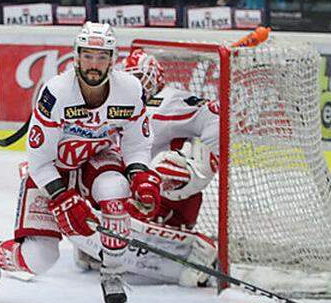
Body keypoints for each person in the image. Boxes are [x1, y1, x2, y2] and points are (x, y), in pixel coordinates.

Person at [0, 22, 160, 303]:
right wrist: (62, 197)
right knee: (40, 258)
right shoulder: (56, 93)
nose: (94, 64)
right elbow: (39, 161)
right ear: (76, 56)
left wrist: (141, 174)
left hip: (96, 160)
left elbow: (136, 145)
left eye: (101, 56)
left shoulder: (130, 90)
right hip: (53, 170)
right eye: (88, 56)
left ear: (113, 59)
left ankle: (112, 270)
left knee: (115, 190)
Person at [73, 48, 220, 288]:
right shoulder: (116, 102)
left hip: (166, 197)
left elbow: (215, 114)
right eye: (129, 78)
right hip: (134, 191)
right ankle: (105, 242)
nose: (136, 85)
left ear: (155, 77)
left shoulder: (170, 101)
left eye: (140, 78)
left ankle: (199, 249)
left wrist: (204, 166)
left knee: (161, 167)